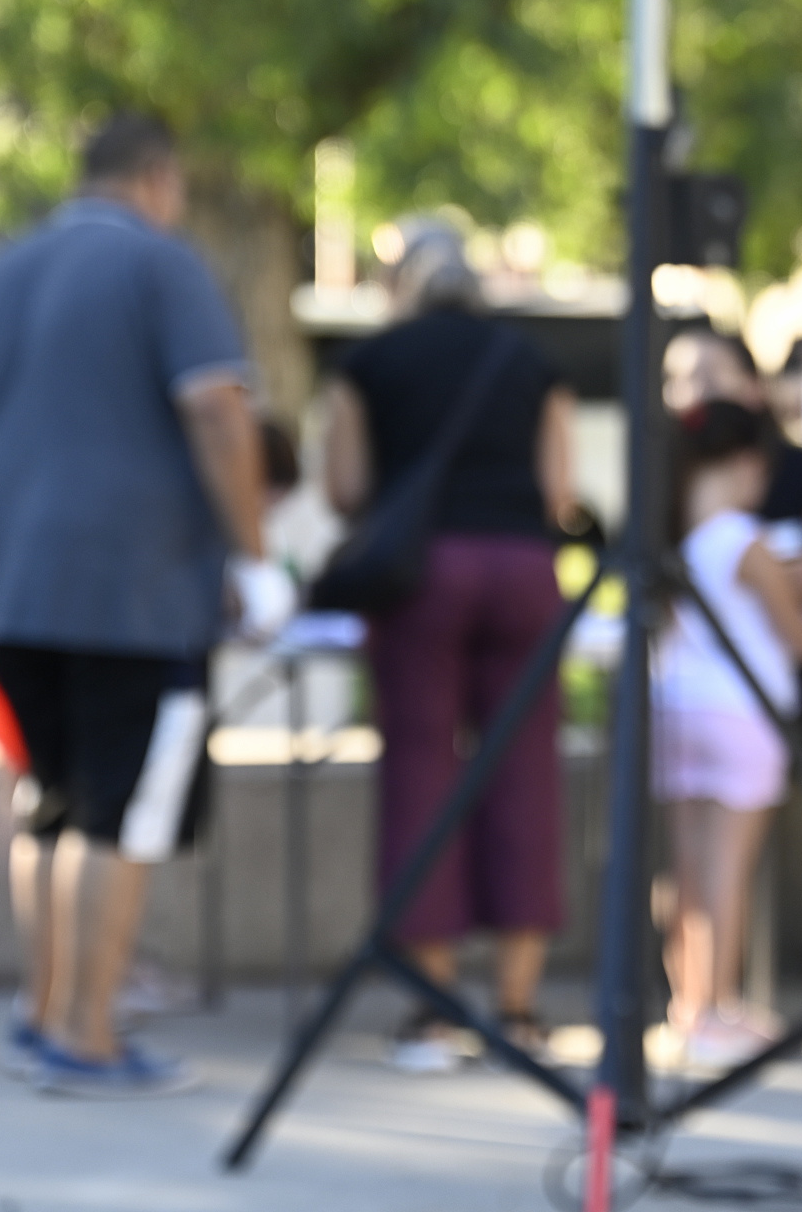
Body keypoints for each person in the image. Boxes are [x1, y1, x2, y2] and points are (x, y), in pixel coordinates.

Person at [0, 112, 282, 1097]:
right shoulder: (162, 263)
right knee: (119, 813)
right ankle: (88, 1034)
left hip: (3, 574)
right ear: (158, 177)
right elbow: (218, 408)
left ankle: (42, 1011)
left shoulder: (3, 270)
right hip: (129, 586)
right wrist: (256, 557)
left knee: (46, 801)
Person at [321, 218, 576, 1072]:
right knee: (527, 772)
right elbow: (561, 495)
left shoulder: (371, 363)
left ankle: (434, 1011)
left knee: (421, 772)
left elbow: (347, 487)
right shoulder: (528, 362)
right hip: (524, 568)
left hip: (423, 575)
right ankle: (520, 1006)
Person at [655, 399, 802, 1062]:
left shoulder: (676, 539)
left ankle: (687, 1006)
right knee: (728, 865)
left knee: (684, 867)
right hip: (739, 713)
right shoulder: (745, 543)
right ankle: (717, 1008)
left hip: (676, 707)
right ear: (750, 464)